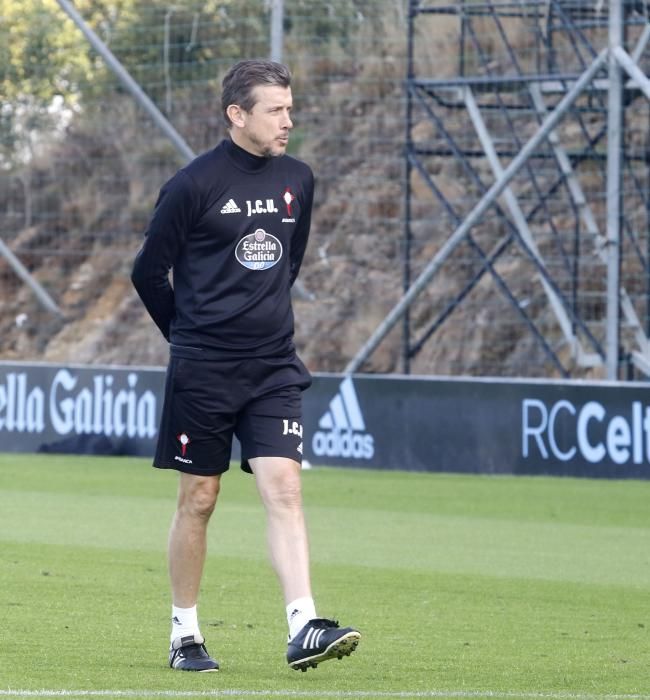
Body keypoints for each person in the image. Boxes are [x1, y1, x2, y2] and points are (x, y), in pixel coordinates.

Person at [131, 59, 360, 673]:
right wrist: (187, 336)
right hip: (202, 369)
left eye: (290, 108)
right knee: (199, 500)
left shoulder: (298, 178)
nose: (289, 120)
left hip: (273, 366)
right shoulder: (192, 185)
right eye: (276, 110)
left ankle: (304, 624)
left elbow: (289, 263)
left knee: (284, 487)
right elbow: (148, 272)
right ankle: (185, 635)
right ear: (238, 115)